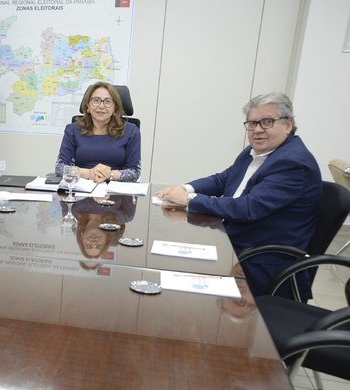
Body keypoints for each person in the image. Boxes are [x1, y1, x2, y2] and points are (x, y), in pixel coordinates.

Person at [155, 92, 321, 300]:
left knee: (175, 282)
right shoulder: (254, 152)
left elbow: (247, 208)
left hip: (261, 261)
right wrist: (184, 188)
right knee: (166, 256)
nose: (258, 130)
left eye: (267, 122)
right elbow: (222, 180)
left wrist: (189, 200)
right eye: (252, 123)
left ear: (289, 125)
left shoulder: (293, 163)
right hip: (236, 242)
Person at [56, 81, 141, 183]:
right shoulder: (72, 130)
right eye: (96, 100)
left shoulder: (131, 131)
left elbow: (135, 172)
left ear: (115, 107)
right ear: (87, 105)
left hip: (116, 189)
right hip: (81, 187)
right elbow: (60, 168)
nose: (101, 106)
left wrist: (108, 175)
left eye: (108, 101)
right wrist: (89, 173)